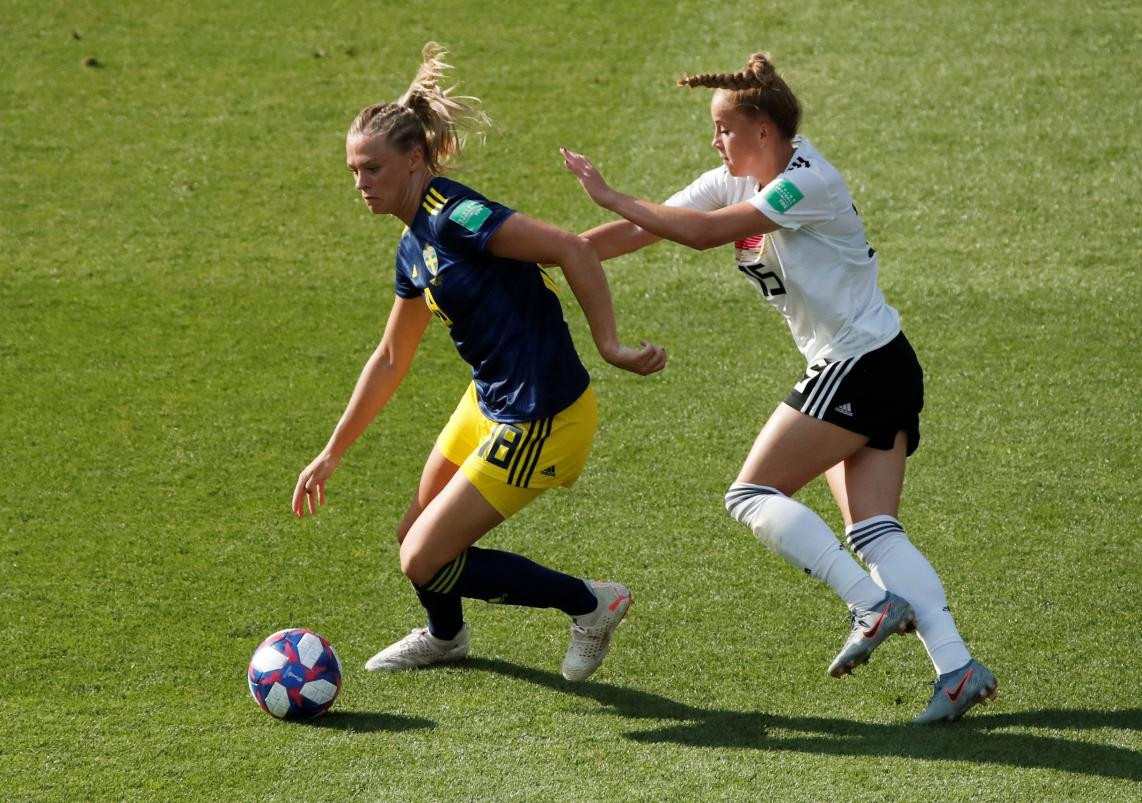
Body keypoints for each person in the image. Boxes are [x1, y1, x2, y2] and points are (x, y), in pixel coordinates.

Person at [561, 52, 996, 722]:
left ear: (763, 129)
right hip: (878, 362)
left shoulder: (805, 181)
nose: (715, 142)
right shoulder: (732, 179)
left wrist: (611, 191)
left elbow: (704, 237)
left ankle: (872, 604)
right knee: (876, 529)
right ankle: (957, 666)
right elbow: (637, 230)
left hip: (859, 363)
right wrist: (546, 253)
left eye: (724, 129)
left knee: (751, 493)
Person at [292, 43, 666, 683]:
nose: (361, 184)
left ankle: (592, 604)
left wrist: (611, 345)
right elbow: (389, 357)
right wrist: (332, 452)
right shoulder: (413, 246)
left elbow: (572, 248)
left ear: (415, 160)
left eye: (373, 169)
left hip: (541, 416)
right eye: (354, 171)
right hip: (489, 401)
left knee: (423, 558)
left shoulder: (458, 217)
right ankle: (446, 636)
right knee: (416, 531)